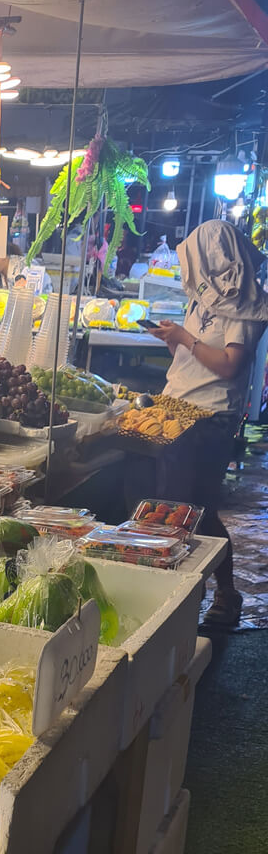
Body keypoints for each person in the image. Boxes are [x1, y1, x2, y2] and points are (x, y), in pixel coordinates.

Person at [146, 219, 268, 627]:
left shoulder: (245, 305)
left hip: (211, 416)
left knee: (195, 511)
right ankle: (201, 593)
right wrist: (175, 340)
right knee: (178, 507)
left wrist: (186, 339)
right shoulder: (204, 296)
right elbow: (193, 355)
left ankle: (215, 595)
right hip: (176, 408)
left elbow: (230, 366)